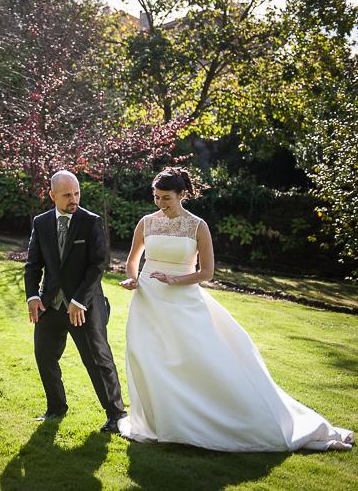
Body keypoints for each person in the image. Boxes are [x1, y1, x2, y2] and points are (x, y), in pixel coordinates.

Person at [117, 167, 353, 451]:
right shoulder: (146, 222)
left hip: (184, 303)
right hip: (148, 303)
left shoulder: (197, 226)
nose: (160, 204)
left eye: (166, 198)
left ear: (182, 195)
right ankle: (164, 425)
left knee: (195, 364)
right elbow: (133, 260)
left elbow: (207, 272)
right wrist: (132, 277)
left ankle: (226, 422)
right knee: (149, 361)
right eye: (156, 197)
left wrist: (175, 279)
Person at [24, 170, 127, 430]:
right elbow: (33, 264)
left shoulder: (90, 222)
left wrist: (80, 300)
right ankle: (56, 408)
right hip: (50, 305)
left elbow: (98, 264)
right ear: (52, 195)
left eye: (77, 193)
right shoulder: (41, 222)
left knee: (97, 359)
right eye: (67, 194)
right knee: (44, 357)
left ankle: (116, 415)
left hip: (85, 306)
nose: (74, 199)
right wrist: (33, 296)